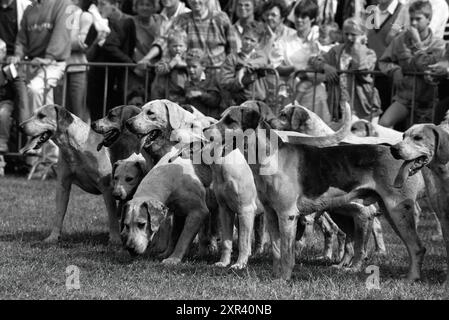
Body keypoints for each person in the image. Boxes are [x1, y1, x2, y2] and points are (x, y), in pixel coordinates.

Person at [378, 0, 446, 128]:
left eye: (418, 19)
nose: (414, 23)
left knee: (419, 135)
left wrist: (417, 43)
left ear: (428, 19)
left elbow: (427, 67)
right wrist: (394, 70)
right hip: (404, 98)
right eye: (411, 19)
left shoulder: (439, 45)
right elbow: (383, 61)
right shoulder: (400, 40)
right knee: (383, 124)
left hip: (428, 103)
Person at [310, 18, 381, 122]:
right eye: (346, 34)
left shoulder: (369, 54)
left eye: (353, 34)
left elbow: (360, 68)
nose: (349, 38)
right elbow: (314, 61)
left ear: (362, 35)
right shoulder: (336, 51)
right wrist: (326, 67)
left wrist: (357, 45)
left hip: (365, 108)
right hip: (341, 107)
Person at [271, 0, 330, 123]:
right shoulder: (284, 41)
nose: (299, 20)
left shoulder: (320, 39)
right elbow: (276, 66)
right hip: (290, 92)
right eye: (297, 16)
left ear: (312, 19)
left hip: (315, 93)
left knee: (318, 132)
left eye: (304, 17)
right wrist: (294, 70)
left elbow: (325, 65)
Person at [86, 0, 136, 120]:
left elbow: (129, 47)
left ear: (115, 5)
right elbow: (88, 55)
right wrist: (97, 42)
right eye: (98, 4)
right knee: (97, 116)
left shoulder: (127, 22)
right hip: (97, 76)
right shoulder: (96, 24)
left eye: (103, 4)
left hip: (119, 77)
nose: (99, 8)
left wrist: (131, 65)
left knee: (117, 116)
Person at [0, 0, 31, 153]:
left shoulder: (24, 6)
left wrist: (17, 56)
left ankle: (27, 149)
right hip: (4, 60)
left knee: (23, 102)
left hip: (16, 62)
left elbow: (26, 35)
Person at [221, 22, 269, 105]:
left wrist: (244, 69)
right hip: (240, 102)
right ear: (241, 37)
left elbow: (263, 61)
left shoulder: (260, 55)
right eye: (246, 38)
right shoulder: (232, 58)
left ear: (258, 43)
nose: (248, 42)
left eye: (252, 40)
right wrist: (241, 81)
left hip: (260, 102)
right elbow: (225, 82)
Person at [65, 0, 93, 123]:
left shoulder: (85, 16)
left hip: (78, 67)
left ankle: (80, 140)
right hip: (58, 67)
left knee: (78, 112)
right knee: (60, 110)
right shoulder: (59, 12)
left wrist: (59, 43)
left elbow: (82, 44)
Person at [150, 28, 188, 103]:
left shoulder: (188, 59)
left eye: (180, 46)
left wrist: (183, 65)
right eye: (174, 46)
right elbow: (158, 70)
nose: (178, 49)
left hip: (182, 95)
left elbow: (195, 69)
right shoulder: (165, 59)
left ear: (186, 47)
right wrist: (171, 65)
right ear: (168, 46)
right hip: (165, 95)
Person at [184, 48, 221, 118]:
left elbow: (215, 101)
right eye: (188, 67)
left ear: (203, 66)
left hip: (210, 120)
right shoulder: (187, 83)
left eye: (194, 67)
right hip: (194, 120)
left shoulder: (211, 80)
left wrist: (200, 94)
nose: (191, 70)